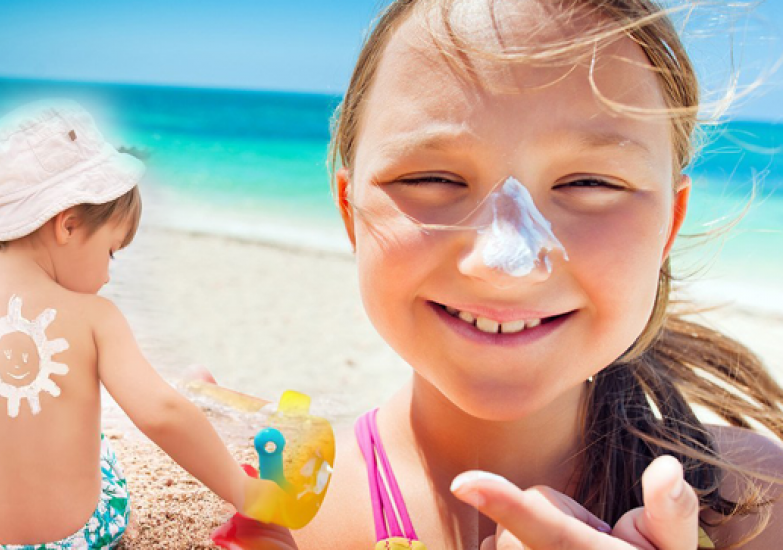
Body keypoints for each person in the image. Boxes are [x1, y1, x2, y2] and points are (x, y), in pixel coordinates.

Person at [283, 0, 783, 548]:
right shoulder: (279, 508)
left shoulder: (758, 501)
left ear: (670, 224)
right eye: (434, 178)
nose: (505, 264)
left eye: (589, 183)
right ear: (350, 210)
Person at [0, 100, 281, 549]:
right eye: (110, 252)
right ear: (67, 226)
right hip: (81, 539)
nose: (108, 274)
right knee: (98, 443)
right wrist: (241, 490)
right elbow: (162, 412)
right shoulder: (97, 317)